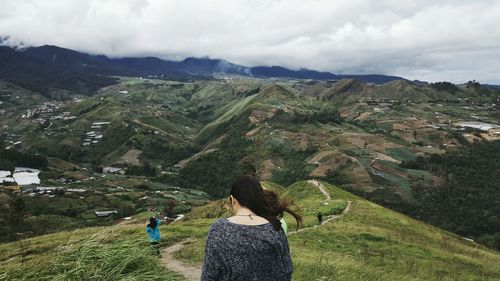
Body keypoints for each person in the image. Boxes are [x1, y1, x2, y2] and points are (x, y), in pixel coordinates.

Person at [201, 175, 302, 281]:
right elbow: (287, 271)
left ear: (232, 200)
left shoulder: (218, 229)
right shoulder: (275, 227)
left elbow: (209, 275)